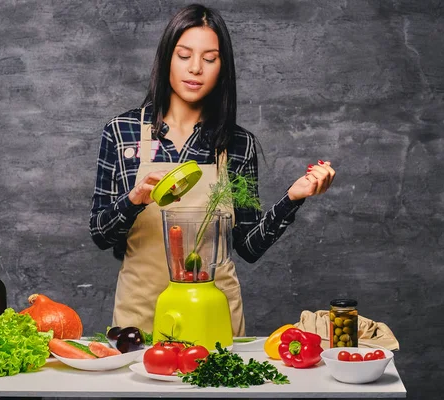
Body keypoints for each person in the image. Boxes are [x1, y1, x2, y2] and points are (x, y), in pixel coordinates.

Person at [89, 4, 335, 336]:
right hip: (140, 319)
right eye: (184, 55)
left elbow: (248, 246)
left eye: (209, 59)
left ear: (222, 68)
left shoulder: (236, 143)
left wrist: (293, 198)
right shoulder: (122, 132)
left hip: (214, 320)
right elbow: (101, 235)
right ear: (166, 59)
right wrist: (134, 200)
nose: (195, 69)